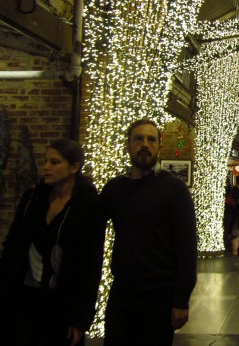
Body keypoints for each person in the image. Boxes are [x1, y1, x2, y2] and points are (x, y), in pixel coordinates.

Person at [99, 118, 198, 346]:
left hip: (159, 297)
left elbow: (187, 247)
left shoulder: (174, 188)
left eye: (151, 139)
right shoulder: (114, 188)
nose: (145, 144)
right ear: (128, 145)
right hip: (122, 294)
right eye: (138, 139)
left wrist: (181, 299)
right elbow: (90, 223)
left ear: (159, 146)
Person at [0, 139, 104, 346]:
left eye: (55, 162)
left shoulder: (87, 207)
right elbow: (13, 245)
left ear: (74, 167)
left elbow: (90, 266)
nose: (46, 167)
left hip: (61, 303)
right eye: (45, 161)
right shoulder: (33, 198)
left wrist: (80, 319)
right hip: (23, 299)